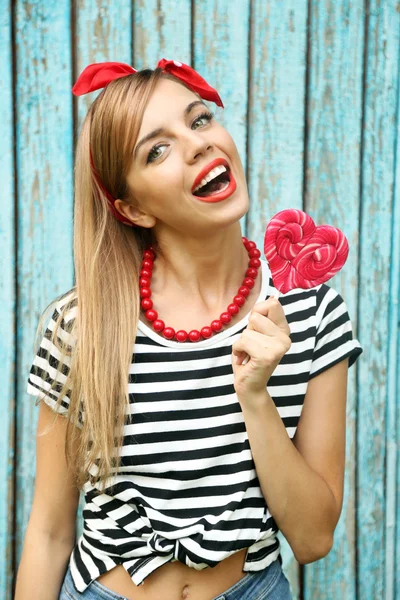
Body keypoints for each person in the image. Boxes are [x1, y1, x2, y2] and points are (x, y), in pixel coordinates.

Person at [15, 60, 363, 600]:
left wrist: (255, 396)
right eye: (157, 149)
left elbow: (314, 537)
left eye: (199, 121)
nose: (198, 144)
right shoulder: (81, 326)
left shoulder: (313, 314)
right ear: (132, 208)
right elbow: (50, 530)